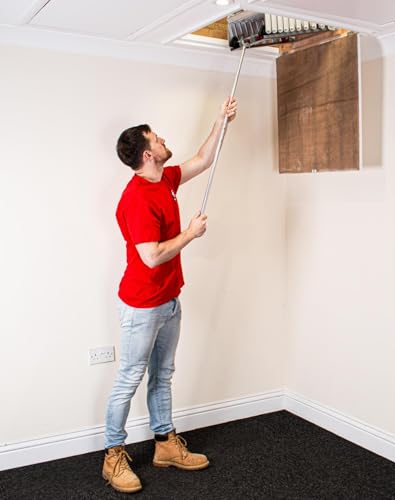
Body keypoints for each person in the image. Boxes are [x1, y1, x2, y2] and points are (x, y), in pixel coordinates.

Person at [102, 97, 238, 493]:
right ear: (148, 154)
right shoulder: (137, 199)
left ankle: (165, 444)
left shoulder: (165, 178)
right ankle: (113, 455)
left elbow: (203, 160)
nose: (163, 140)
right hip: (142, 305)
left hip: (169, 299)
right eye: (157, 139)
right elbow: (151, 256)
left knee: (163, 375)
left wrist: (220, 120)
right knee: (130, 377)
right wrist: (190, 234)